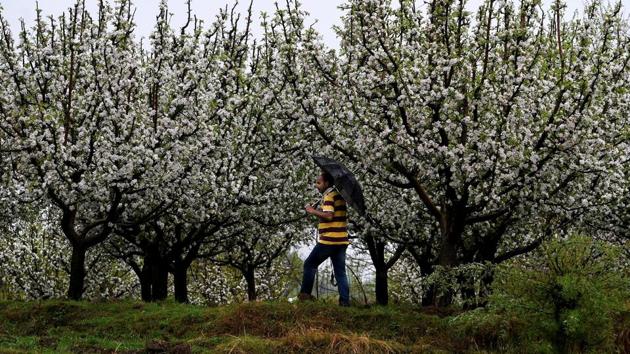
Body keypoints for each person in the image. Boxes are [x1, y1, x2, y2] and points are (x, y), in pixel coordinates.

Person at [298, 170, 350, 306]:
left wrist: (312, 211)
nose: (317, 185)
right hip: (341, 240)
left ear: (327, 183)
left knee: (309, 264)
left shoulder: (329, 196)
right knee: (340, 273)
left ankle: (305, 296)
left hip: (329, 240)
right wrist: (319, 209)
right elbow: (331, 213)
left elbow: (329, 216)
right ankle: (345, 303)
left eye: (319, 183)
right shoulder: (339, 196)